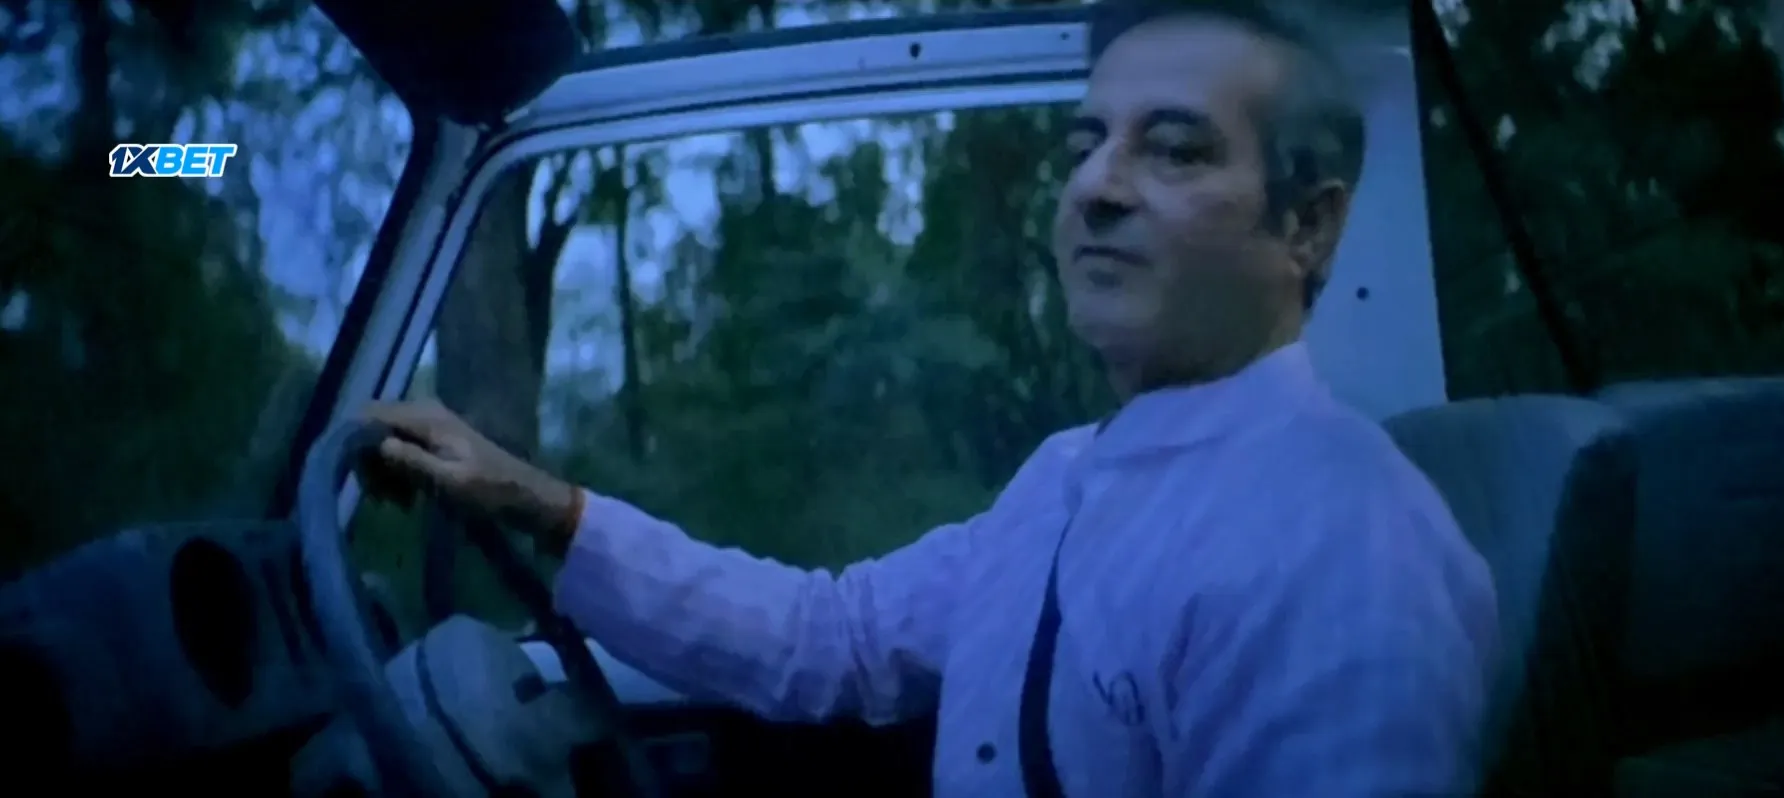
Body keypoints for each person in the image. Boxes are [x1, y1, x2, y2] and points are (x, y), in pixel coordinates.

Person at [360, 1, 1498, 795]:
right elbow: (833, 637)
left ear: (1308, 227)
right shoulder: (1067, 476)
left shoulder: (1347, 551)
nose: (1095, 187)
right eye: (1087, 142)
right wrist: (540, 505)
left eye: (1176, 151)